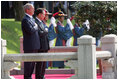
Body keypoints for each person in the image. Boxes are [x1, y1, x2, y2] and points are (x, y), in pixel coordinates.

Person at [21, 3, 40, 79]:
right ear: (27, 10)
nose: (34, 10)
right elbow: (30, 30)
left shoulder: (31, 19)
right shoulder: (25, 19)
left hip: (35, 44)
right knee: (28, 64)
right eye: (32, 9)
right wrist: (36, 26)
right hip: (29, 45)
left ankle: (29, 77)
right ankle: (27, 77)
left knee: (32, 64)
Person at [34, 8, 50, 79]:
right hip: (40, 45)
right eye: (43, 14)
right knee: (40, 63)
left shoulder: (41, 22)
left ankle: (42, 75)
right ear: (39, 14)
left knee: (43, 63)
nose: (44, 15)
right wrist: (46, 31)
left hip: (45, 45)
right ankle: (38, 76)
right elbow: (39, 33)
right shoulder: (35, 22)